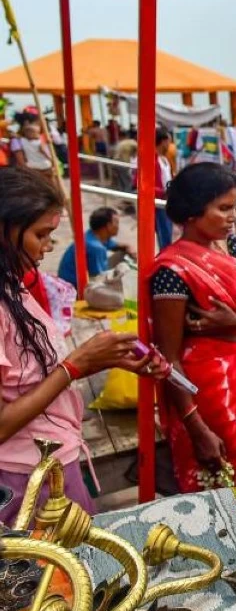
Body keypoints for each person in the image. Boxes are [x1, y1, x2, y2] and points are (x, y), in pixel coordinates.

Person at [0, 167, 165, 524]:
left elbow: (28, 376)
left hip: (52, 459)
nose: (49, 245)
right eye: (41, 234)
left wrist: (103, 358)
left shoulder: (13, 284)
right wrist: (75, 366)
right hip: (26, 476)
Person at [151, 163, 236, 491]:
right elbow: (168, 361)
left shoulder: (233, 247)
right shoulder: (172, 270)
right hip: (209, 389)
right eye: (223, 209)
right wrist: (197, 426)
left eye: (234, 207)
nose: (233, 217)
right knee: (229, 477)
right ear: (193, 212)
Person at [57, 207, 135, 289]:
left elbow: (116, 246)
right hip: (74, 288)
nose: (118, 226)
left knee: (122, 254)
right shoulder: (96, 247)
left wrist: (129, 247)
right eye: (116, 223)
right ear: (108, 226)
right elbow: (100, 280)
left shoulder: (93, 235)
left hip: (69, 281)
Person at [10, 115, 56, 184]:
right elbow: (22, 163)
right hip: (37, 169)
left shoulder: (24, 140)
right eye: (36, 124)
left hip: (36, 166)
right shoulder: (18, 141)